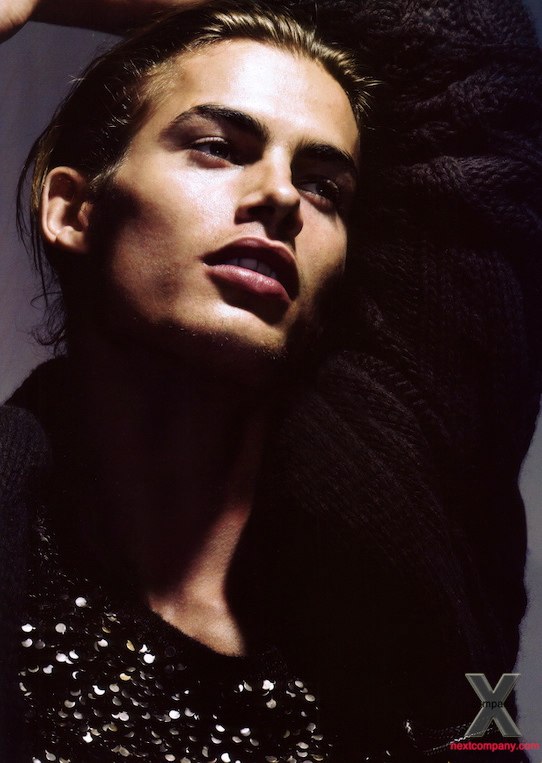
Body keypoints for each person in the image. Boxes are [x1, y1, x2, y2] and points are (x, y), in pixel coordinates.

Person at [1, 0, 541, 761]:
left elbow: (465, 42)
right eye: (219, 147)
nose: (283, 196)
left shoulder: (416, 515)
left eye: (324, 187)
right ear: (74, 210)